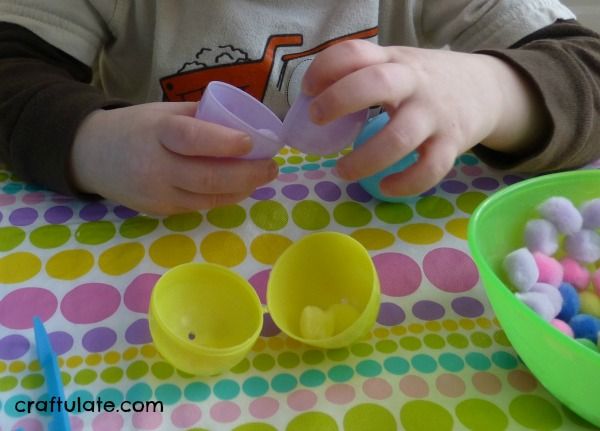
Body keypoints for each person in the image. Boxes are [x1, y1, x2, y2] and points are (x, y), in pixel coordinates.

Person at [0, 1, 599, 215]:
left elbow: (587, 69)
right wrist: (92, 143)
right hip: (157, 257)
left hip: (391, 281)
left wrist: (488, 90)